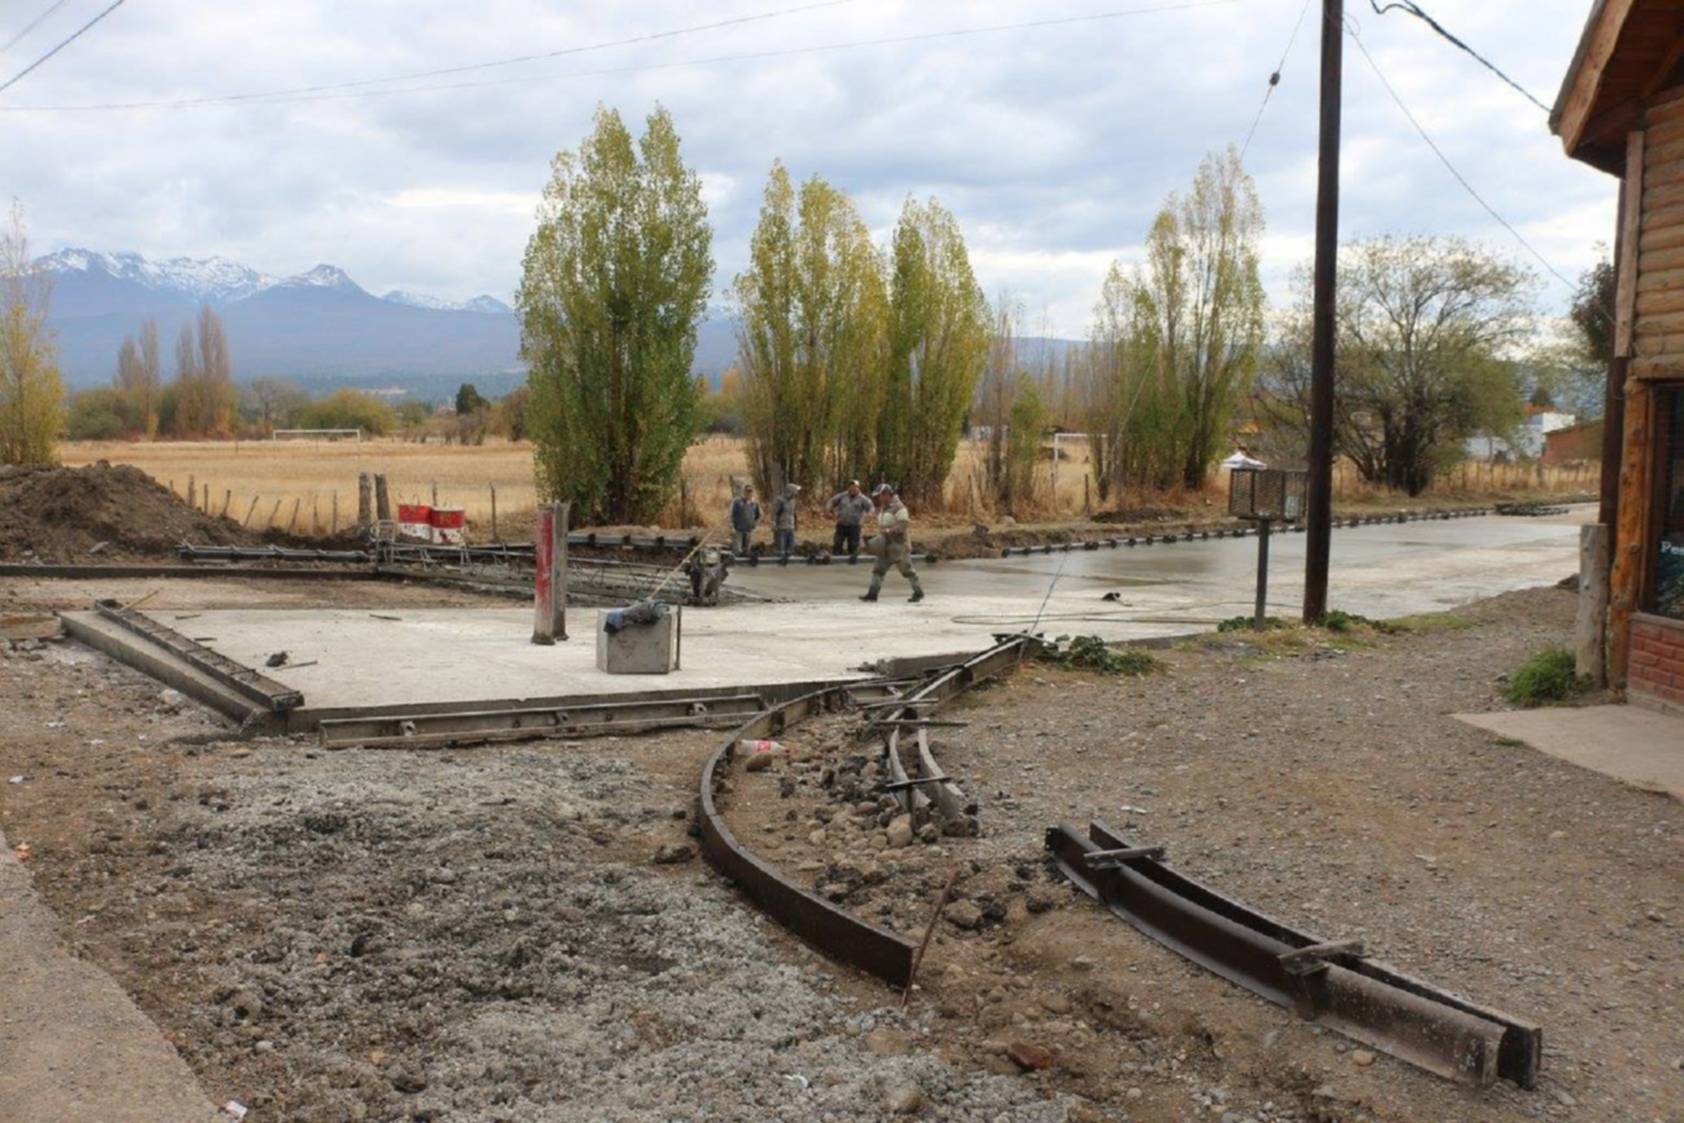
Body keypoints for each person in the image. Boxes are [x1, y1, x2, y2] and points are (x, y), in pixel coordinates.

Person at [861, 483, 924, 603]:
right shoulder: (883, 508)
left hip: (899, 545)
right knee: (878, 570)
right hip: (885, 545)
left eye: (879, 496)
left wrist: (890, 530)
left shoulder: (899, 508)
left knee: (907, 570)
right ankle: (872, 594)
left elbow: (903, 525)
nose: (878, 498)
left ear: (886, 495)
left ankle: (918, 592)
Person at [826, 479, 874, 558]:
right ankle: (837, 558)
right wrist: (830, 511)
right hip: (842, 524)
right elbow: (831, 502)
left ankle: (852, 561)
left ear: (858, 488)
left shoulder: (863, 499)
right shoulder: (842, 496)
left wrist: (867, 517)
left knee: (853, 546)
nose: (852, 489)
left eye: (855, 487)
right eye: (851, 487)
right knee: (837, 543)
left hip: (855, 525)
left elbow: (871, 508)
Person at [729, 484, 760, 556]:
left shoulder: (754, 504)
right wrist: (731, 526)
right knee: (737, 550)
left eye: (750, 491)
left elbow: (758, 515)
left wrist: (755, 524)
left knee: (748, 550)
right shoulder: (738, 502)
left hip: (749, 530)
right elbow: (731, 514)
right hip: (738, 529)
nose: (749, 493)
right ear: (744, 492)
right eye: (747, 491)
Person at [773, 482, 801, 556]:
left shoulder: (793, 501)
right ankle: (781, 557)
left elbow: (794, 513)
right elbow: (775, 513)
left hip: (791, 526)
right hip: (782, 527)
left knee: (791, 546)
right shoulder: (780, 500)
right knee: (781, 547)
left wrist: (796, 524)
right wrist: (774, 524)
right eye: (795, 491)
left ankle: (789, 556)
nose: (796, 493)